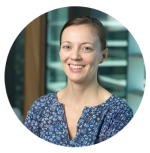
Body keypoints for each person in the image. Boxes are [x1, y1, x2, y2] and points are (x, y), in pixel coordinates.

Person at [24, 16, 133, 148]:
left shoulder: (118, 113)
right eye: (67, 46)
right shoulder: (40, 108)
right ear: (59, 52)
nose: (75, 56)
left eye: (86, 48)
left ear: (103, 56)